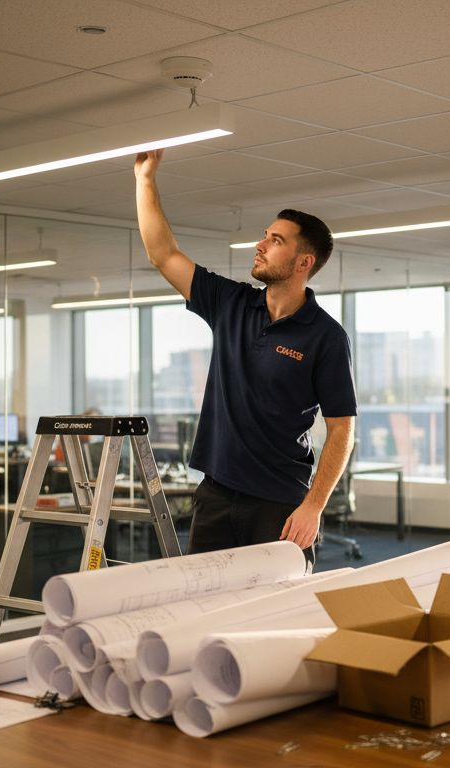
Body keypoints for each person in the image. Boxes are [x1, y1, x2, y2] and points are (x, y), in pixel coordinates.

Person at [134, 149, 356, 567]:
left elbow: (342, 428)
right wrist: (145, 181)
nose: (260, 244)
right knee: (204, 608)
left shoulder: (326, 337)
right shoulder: (231, 304)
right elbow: (163, 254)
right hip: (216, 494)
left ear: (303, 262)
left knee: (275, 613)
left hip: (279, 503)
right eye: (265, 235)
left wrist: (314, 506)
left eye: (276, 241)